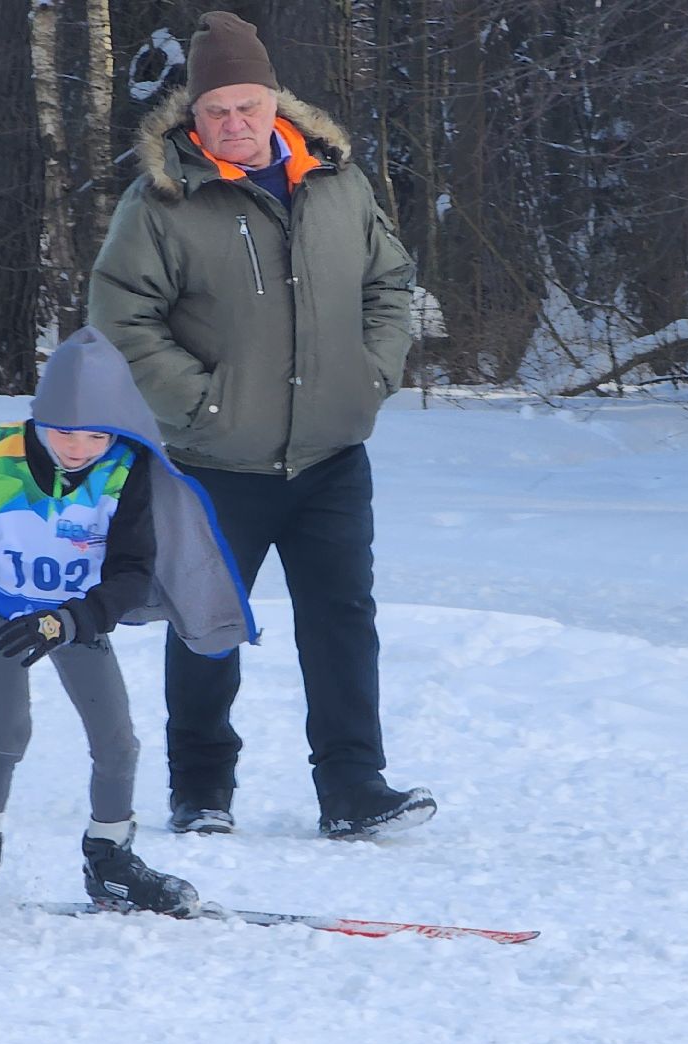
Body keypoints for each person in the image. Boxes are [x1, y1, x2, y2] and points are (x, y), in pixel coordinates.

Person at [87, 11, 434, 839]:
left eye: (248, 105)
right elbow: (121, 318)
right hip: (216, 459)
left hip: (331, 454)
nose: (234, 123)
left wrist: (374, 374)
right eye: (218, 110)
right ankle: (201, 789)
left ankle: (353, 789)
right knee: (206, 623)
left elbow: (390, 284)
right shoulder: (163, 200)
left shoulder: (337, 180)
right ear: (193, 115)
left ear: (274, 101)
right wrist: (198, 404)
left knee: (342, 618)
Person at [0, 325, 255, 925]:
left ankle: (111, 860)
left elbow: (129, 573)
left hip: (74, 618)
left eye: (96, 434)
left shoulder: (127, 470)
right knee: (8, 731)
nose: (79, 448)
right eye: (65, 432)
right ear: (40, 417)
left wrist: (69, 622)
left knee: (117, 741)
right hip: (7, 613)